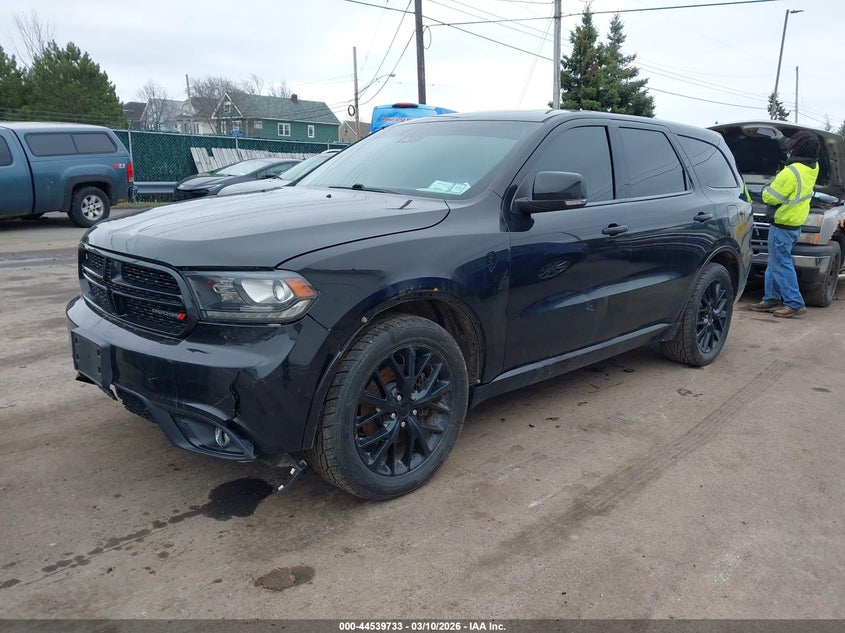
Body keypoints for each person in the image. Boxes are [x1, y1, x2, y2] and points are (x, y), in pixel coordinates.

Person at [749, 130, 821, 318]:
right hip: (794, 223)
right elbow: (797, 149)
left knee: (781, 264)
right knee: (775, 263)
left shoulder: (790, 173)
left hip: (782, 224)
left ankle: (794, 303)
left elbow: (770, 197)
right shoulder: (813, 167)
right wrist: (781, 139)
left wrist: (763, 188)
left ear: (796, 148)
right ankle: (771, 299)